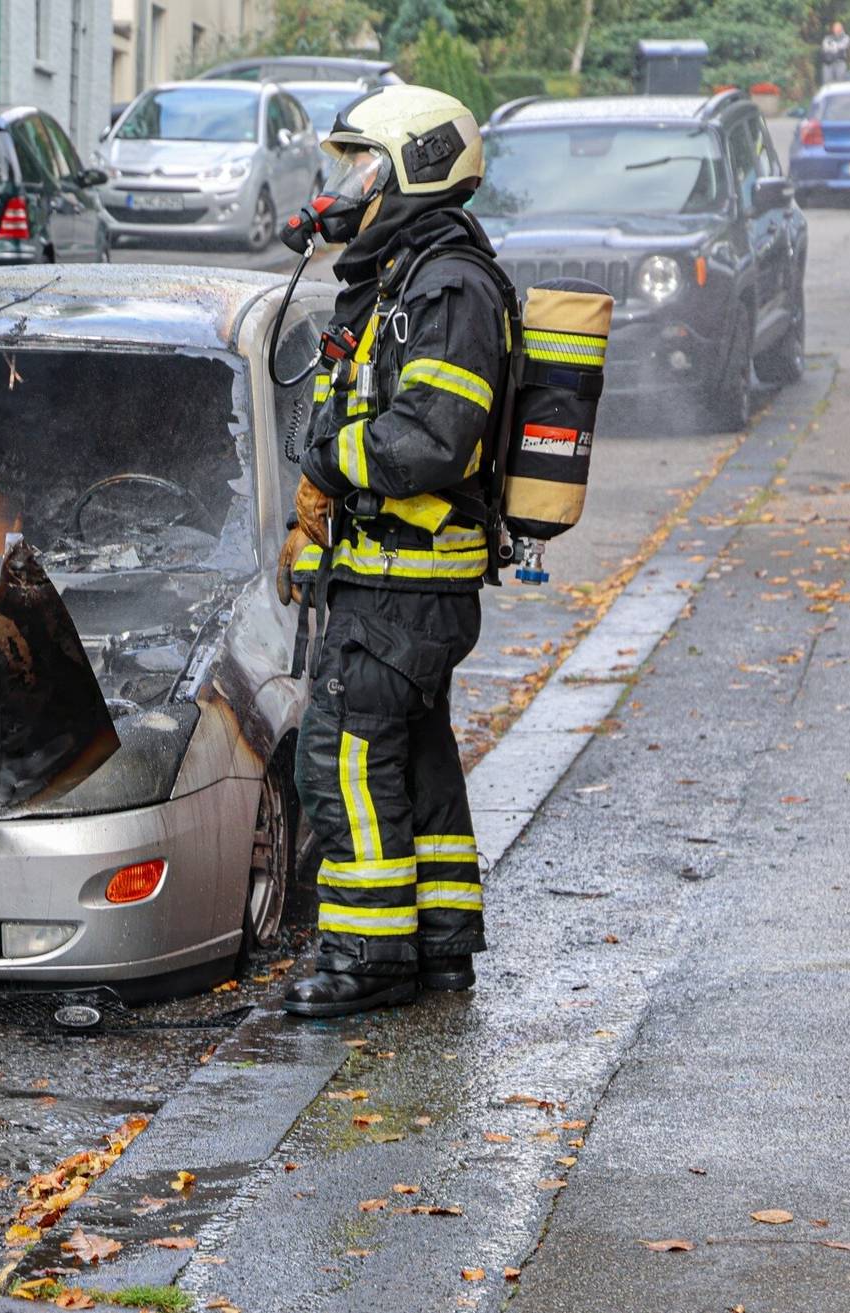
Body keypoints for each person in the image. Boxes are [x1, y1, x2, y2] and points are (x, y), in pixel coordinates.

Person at [275, 86, 505, 1018]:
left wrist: (326, 464)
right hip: (396, 576)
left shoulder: (447, 287)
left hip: (405, 580)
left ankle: (366, 957)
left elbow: (431, 439)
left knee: (340, 759)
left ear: (418, 167)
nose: (348, 187)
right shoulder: (408, 276)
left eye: (365, 166)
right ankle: (439, 944)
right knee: (414, 760)